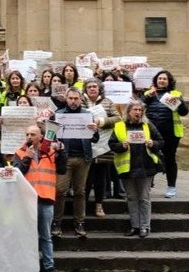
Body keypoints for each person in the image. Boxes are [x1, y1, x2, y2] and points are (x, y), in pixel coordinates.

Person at [14, 125, 66, 272]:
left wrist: (62, 152)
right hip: (26, 200)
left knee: (45, 236)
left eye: (33, 134)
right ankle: (26, 266)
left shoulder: (51, 151)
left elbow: (62, 169)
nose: (29, 137)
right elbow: (17, 173)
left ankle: (49, 267)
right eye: (27, 134)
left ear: (41, 136)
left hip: (45, 198)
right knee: (26, 236)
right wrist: (27, 158)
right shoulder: (20, 152)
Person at [108, 100, 164, 237]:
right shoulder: (120, 126)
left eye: (140, 110)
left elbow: (161, 141)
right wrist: (122, 146)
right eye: (135, 110)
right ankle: (135, 226)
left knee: (144, 197)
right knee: (132, 197)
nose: (138, 112)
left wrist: (153, 143)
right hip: (128, 167)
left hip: (146, 166)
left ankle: (145, 226)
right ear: (128, 112)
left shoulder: (148, 125)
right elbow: (112, 144)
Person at [52, 87, 99, 238]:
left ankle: (80, 222)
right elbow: (52, 137)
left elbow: (95, 139)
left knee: (80, 191)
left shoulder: (87, 114)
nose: (73, 101)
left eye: (76, 98)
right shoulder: (58, 115)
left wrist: (94, 130)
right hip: (64, 158)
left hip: (83, 158)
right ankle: (57, 222)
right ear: (66, 99)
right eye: (70, 98)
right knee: (60, 191)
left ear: (80, 99)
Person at [143, 69, 189, 198]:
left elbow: (184, 112)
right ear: (155, 81)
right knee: (149, 158)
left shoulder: (175, 94)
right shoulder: (148, 93)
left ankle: (171, 187)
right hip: (151, 133)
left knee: (170, 159)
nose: (162, 80)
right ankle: (148, 185)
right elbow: (139, 107)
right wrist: (148, 96)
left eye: (164, 79)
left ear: (169, 81)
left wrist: (179, 102)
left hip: (170, 133)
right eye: (159, 78)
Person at [83, 78, 122, 217]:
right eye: (89, 87)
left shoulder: (108, 102)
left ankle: (99, 205)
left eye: (95, 86)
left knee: (100, 177)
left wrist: (102, 121)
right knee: (85, 178)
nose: (92, 89)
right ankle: (83, 206)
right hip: (85, 145)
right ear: (85, 89)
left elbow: (118, 118)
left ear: (99, 89)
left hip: (103, 145)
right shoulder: (81, 101)